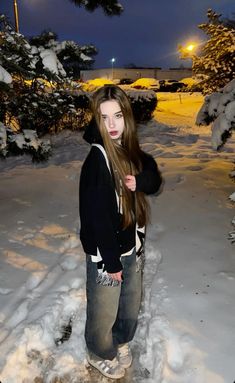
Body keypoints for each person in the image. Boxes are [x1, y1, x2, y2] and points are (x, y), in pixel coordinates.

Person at [79, 85, 162, 379]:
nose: (112, 125)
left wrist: (141, 182)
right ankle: (98, 350)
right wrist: (111, 262)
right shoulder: (97, 161)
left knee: (129, 301)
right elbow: (95, 218)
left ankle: (122, 339)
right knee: (103, 308)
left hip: (131, 244)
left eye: (117, 116)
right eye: (104, 118)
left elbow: (153, 176)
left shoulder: (128, 148)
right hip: (106, 251)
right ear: (97, 120)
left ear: (126, 116)